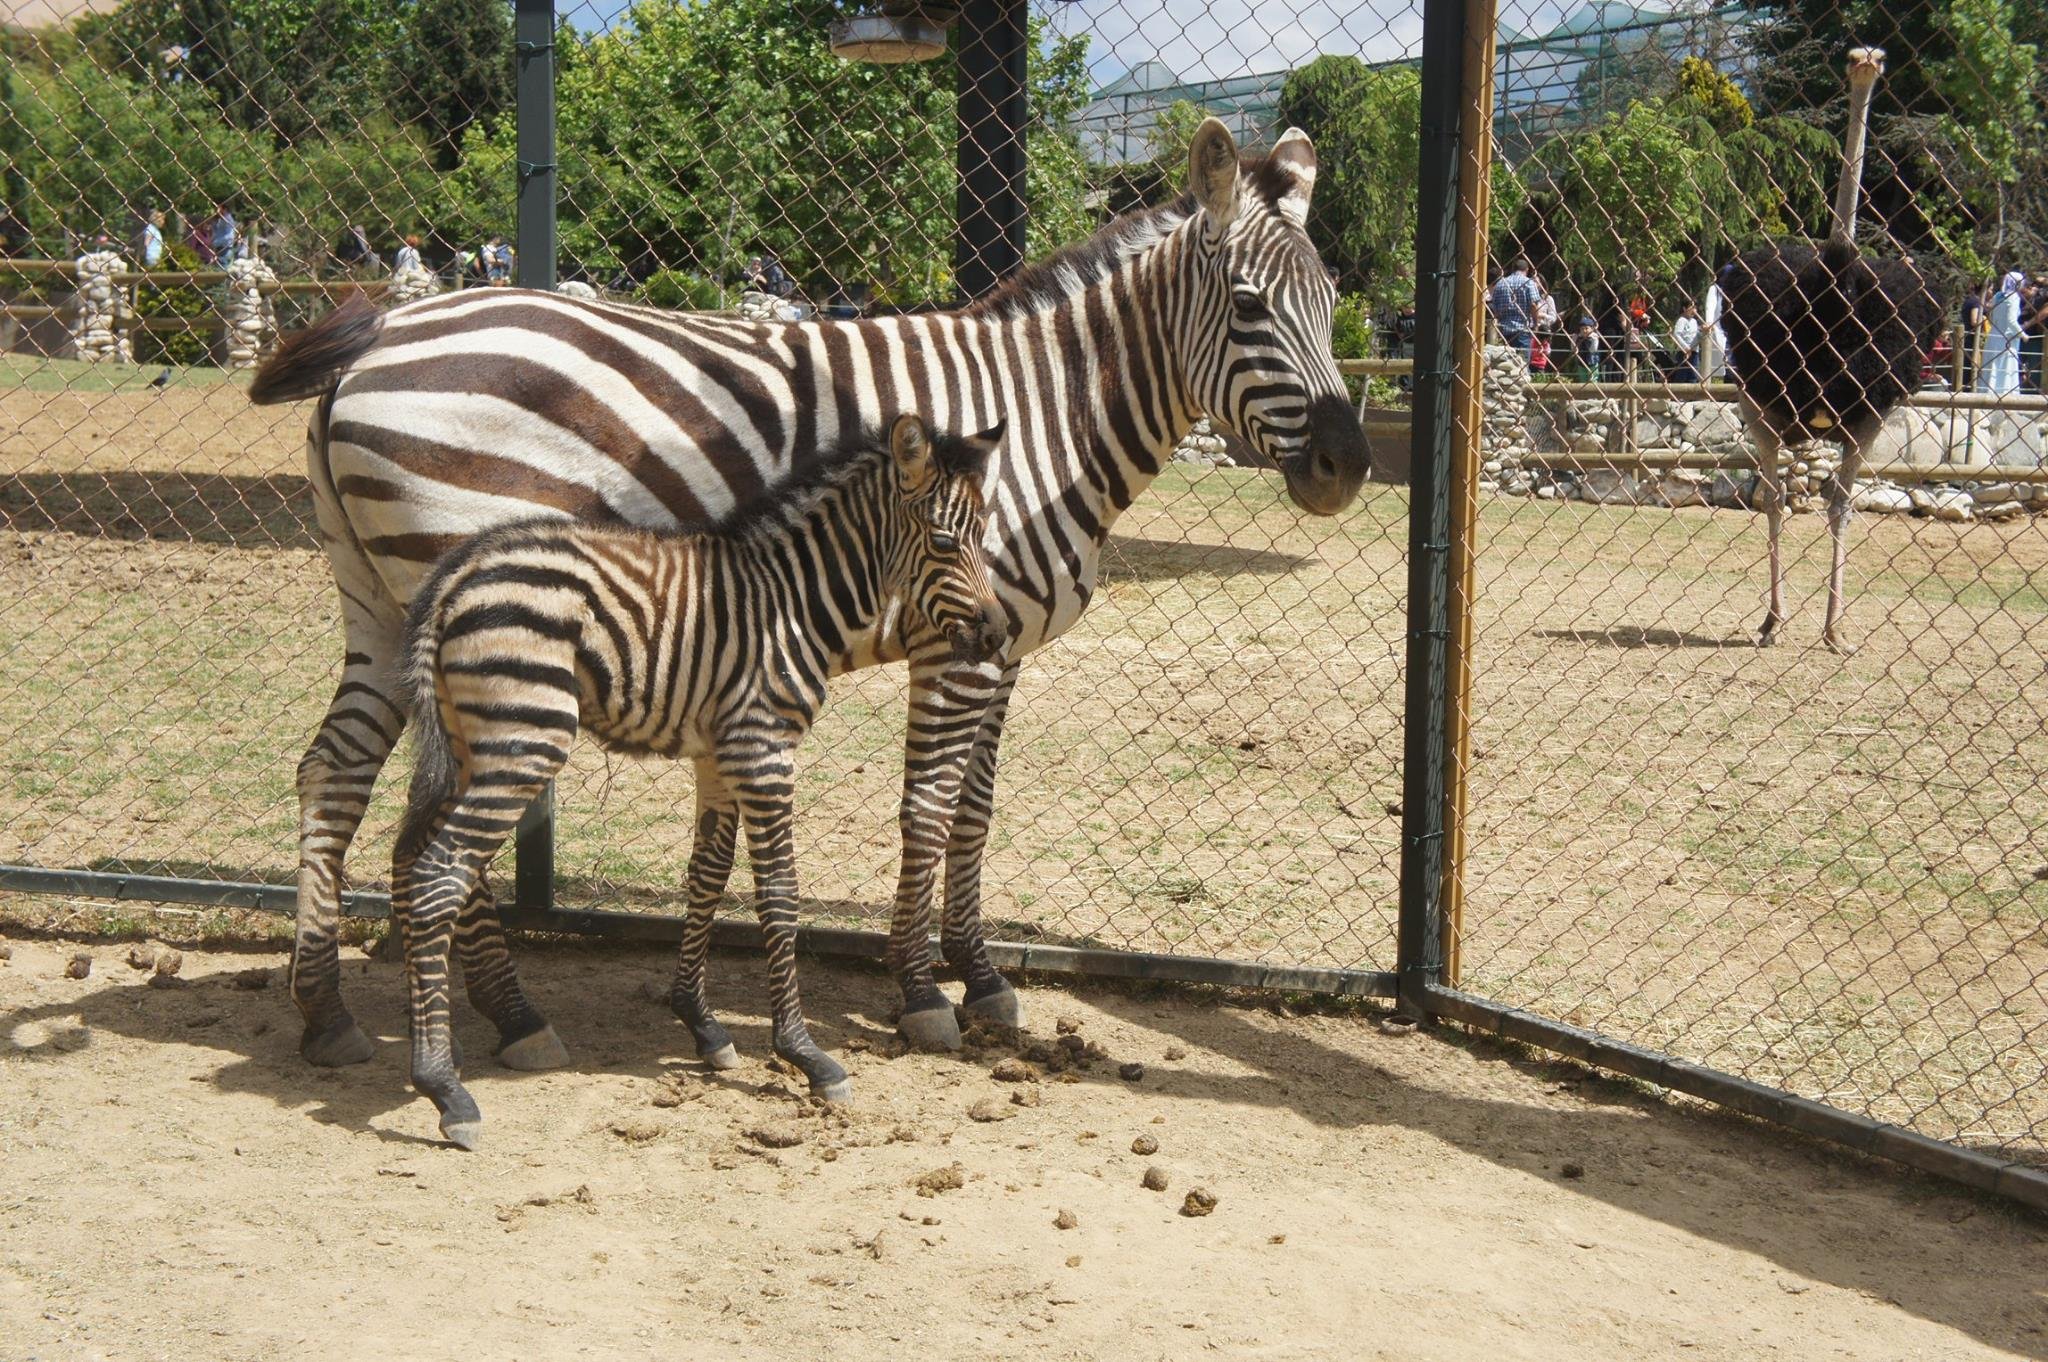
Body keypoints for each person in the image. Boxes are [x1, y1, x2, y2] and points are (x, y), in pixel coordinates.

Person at [1978, 270, 2026, 396]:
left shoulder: (1998, 296)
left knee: (1992, 365)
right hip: (2006, 338)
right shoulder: (2014, 297)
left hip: (1993, 335)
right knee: (2006, 367)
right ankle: (2005, 393)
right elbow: (2011, 320)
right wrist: (2023, 334)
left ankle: (1988, 392)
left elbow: (1991, 314)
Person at [1486, 256, 1539, 361]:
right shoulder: (1529, 283)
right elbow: (1533, 305)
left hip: (1503, 330)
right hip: (1522, 329)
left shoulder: (1501, 284)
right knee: (1522, 363)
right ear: (1527, 270)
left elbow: (1495, 307)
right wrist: (1536, 323)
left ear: (1512, 269)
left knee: (1505, 363)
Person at [1958, 280, 1985, 390]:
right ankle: (1969, 388)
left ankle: (1965, 386)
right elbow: (1974, 320)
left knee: (1966, 363)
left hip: (1966, 334)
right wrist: (1984, 319)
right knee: (1970, 364)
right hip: (1972, 336)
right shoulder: (1976, 302)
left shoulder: (1968, 300)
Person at [1701, 275, 1729, 379]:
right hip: (1719, 330)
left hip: (1732, 332)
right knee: (1724, 366)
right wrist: (1709, 322)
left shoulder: (1736, 289)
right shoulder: (1715, 289)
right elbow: (1710, 307)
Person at [1671, 300, 1701, 382]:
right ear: (1684, 309)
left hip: (1694, 352)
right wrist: (1685, 347)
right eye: (1691, 308)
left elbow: (1697, 335)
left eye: (1695, 308)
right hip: (1683, 353)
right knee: (1682, 375)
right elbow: (1676, 335)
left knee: (1693, 375)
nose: (1694, 310)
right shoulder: (1681, 320)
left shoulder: (1694, 322)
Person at [1573, 315, 1601, 382]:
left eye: (1586, 328)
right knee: (1583, 380)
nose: (1584, 331)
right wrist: (1574, 339)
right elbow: (1573, 349)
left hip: (1593, 362)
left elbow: (1593, 350)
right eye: (1582, 329)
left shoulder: (1593, 337)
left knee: (1593, 380)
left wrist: (1594, 340)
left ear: (1591, 328)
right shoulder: (1578, 338)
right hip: (1581, 362)